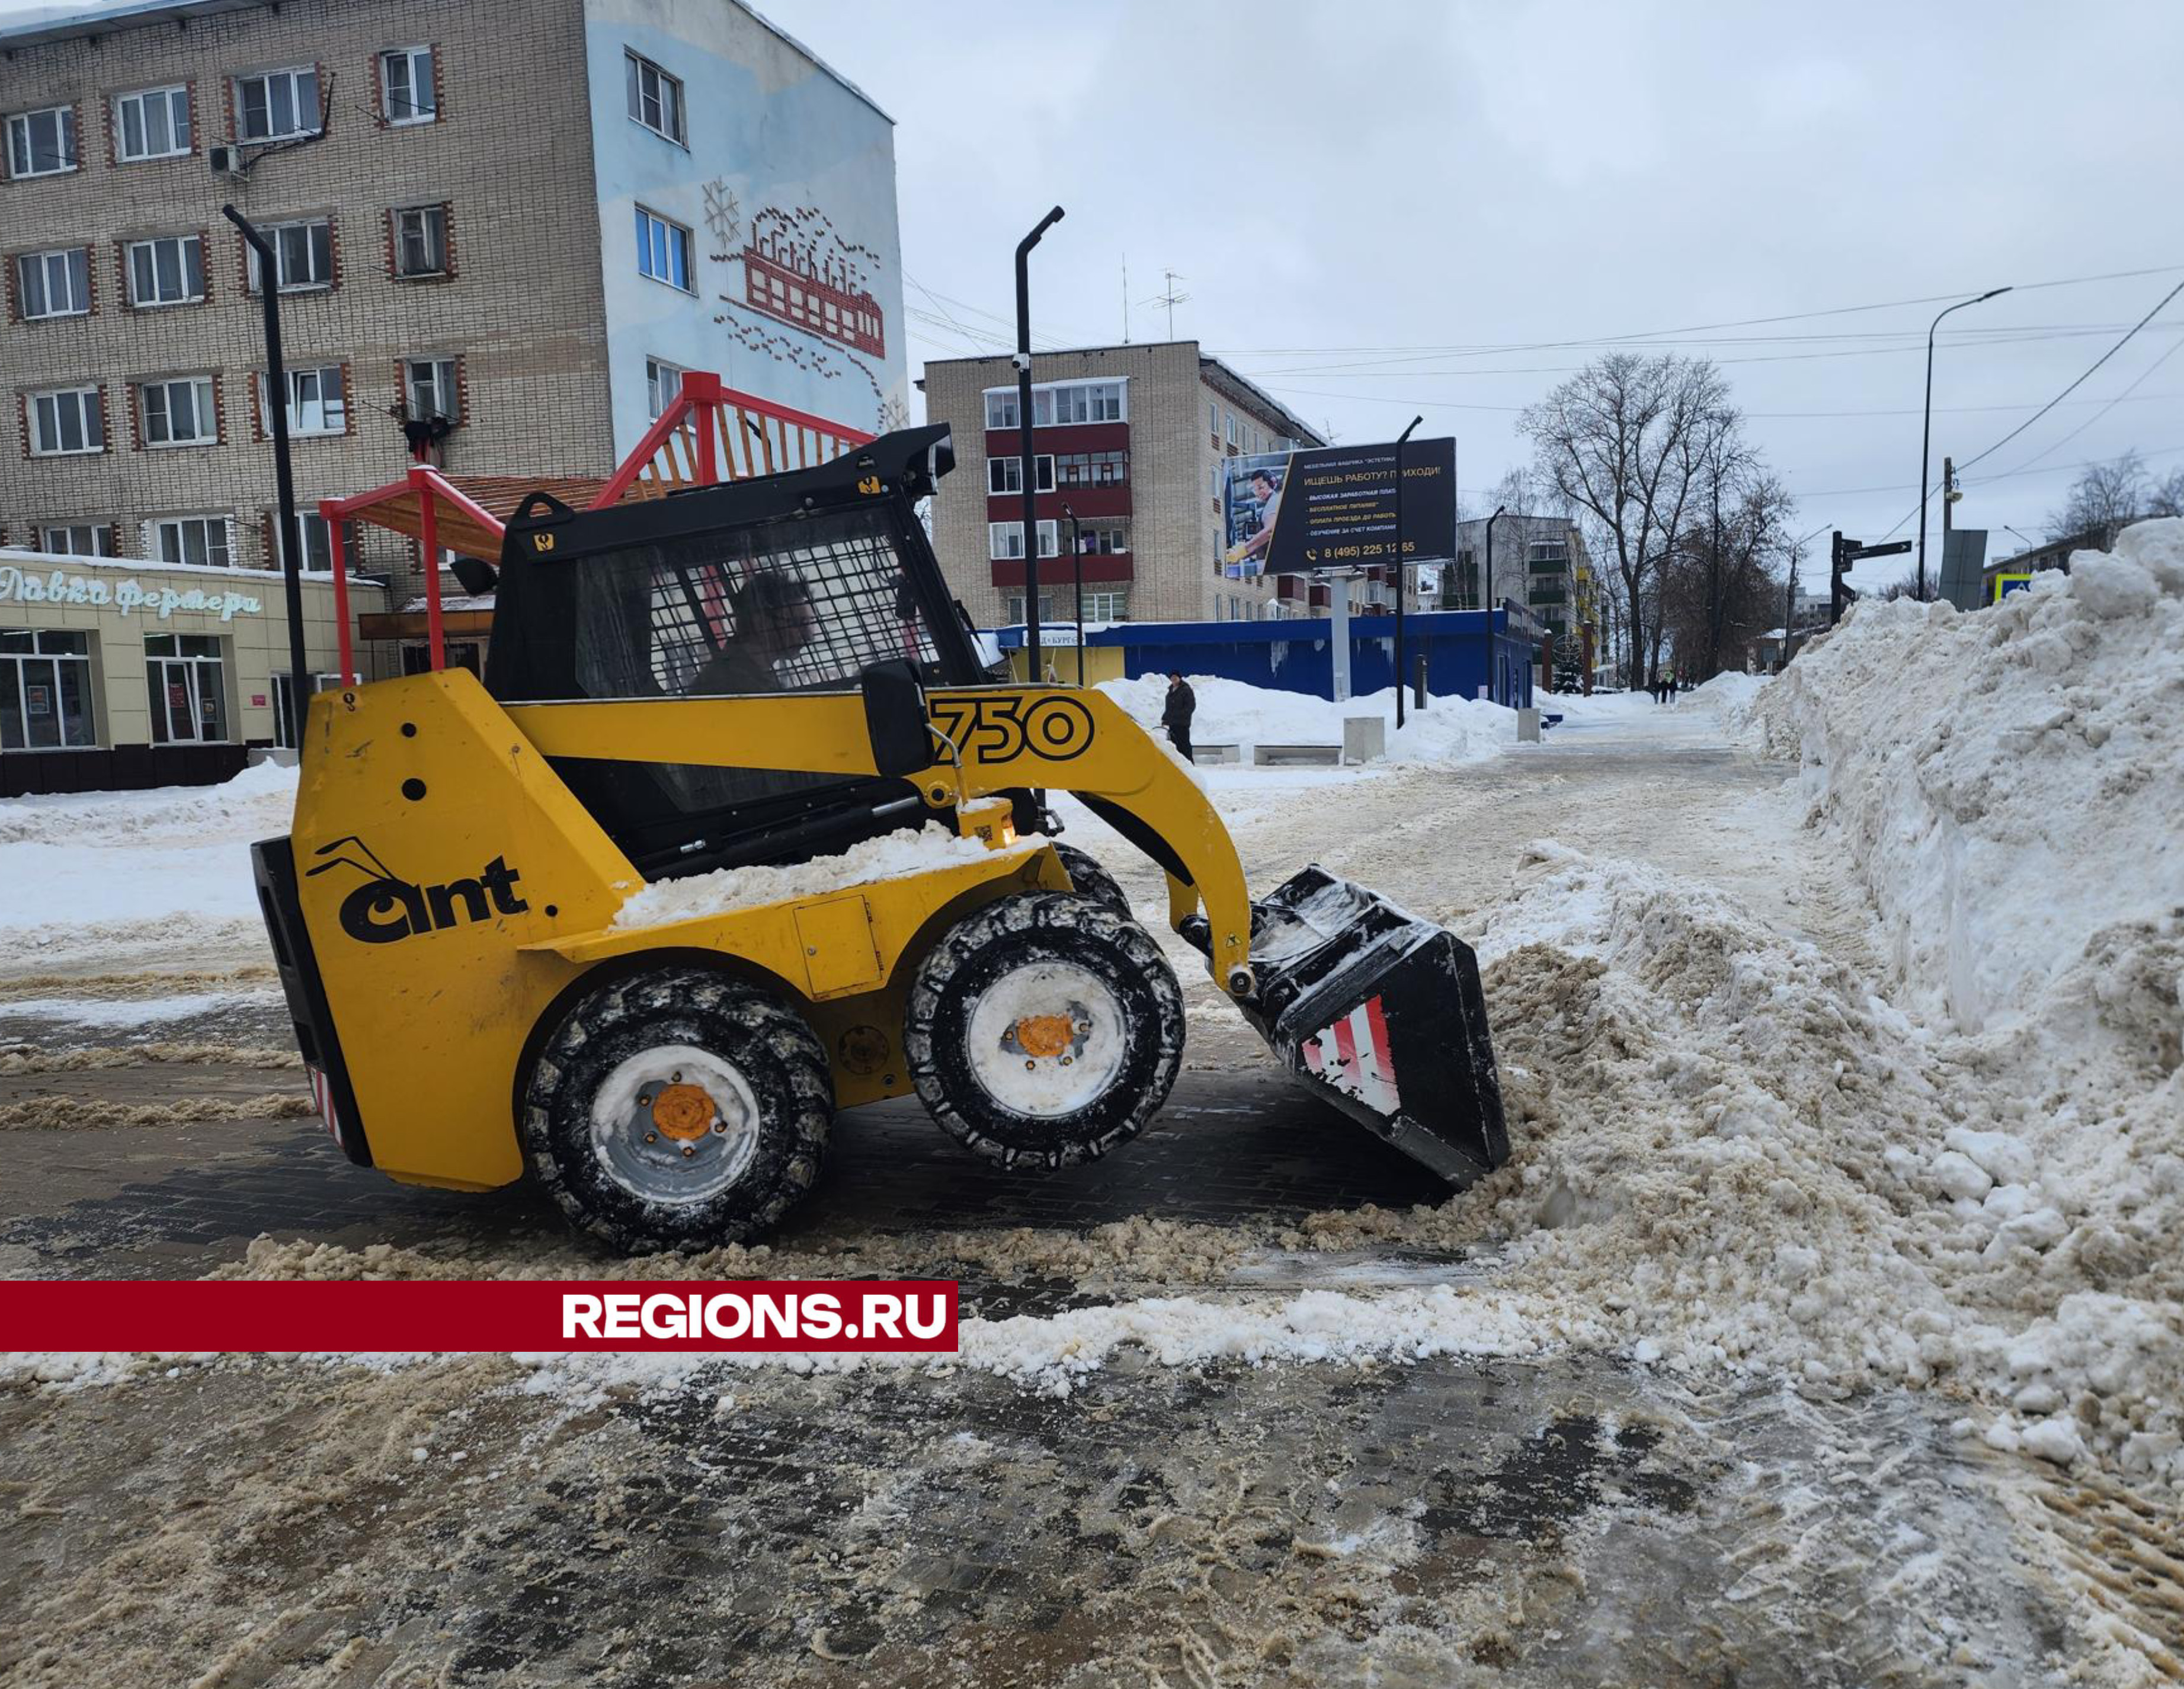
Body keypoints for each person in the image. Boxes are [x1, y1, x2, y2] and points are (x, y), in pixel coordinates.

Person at [684, 571, 818, 695]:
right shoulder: (736, 684)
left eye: (808, 624)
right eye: (798, 623)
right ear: (762, 623)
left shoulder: (739, 674)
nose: (809, 636)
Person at [1162, 671, 1196, 763]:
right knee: (1175, 746)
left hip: (1182, 723)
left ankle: (1189, 764)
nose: (1174, 679)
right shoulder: (1171, 690)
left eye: (1175, 677)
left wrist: (1180, 715)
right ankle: (1179, 766)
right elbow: (1169, 708)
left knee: (1184, 745)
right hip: (1173, 724)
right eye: (1172, 678)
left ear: (1180, 678)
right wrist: (1165, 717)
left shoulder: (1186, 690)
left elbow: (1190, 707)